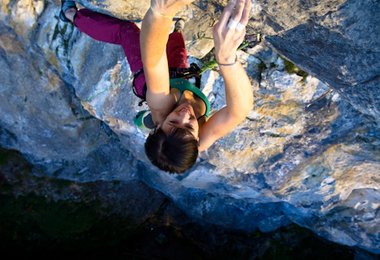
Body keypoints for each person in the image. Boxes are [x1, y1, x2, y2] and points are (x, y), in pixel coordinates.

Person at [59, 0, 253, 173]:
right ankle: (177, 30)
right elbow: (238, 111)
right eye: (188, 126)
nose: (185, 115)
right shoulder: (197, 140)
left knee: (127, 31)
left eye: (174, 122)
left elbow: (154, 60)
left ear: (160, 125)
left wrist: (161, 13)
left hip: (149, 81)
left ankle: (72, 16)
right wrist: (227, 59)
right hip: (177, 80)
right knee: (178, 51)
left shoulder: (160, 104)